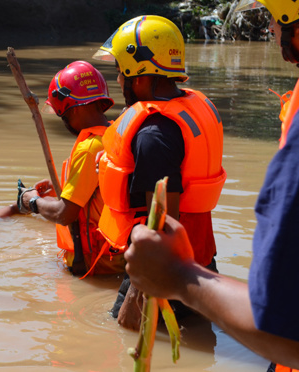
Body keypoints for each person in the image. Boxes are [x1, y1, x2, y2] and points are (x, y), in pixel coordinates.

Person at [123, 0, 299, 369]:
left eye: (273, 20)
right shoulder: (190, 110)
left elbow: (283, 327)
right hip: (202, 252)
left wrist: (176, 278)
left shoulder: (154, 132)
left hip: (177, 261)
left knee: (117, 339)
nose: (270, 29)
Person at [92, 15, 227, 329]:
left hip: (166, 271)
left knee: (121, 334)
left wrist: (135, 302)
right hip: (201, 263)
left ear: (138, 75)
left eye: (120, 73)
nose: (118, 82)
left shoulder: (153, 134)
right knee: (200, 344)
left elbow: (163, 227)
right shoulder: (187, 110)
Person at [18, 60, 126, 276]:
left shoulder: (89, 148)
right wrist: (63, 188)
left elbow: (64, 214)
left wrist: (30, 201)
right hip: (116, 256)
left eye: (62, 115)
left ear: (72, 110)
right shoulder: (115, 132)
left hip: (94, 263)